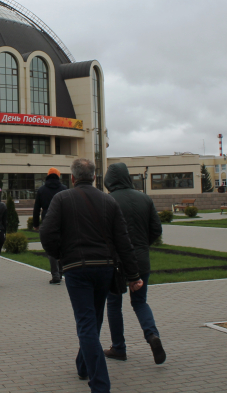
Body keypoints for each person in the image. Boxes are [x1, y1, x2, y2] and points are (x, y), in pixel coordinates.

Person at [40, 158, 142, 393]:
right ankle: (83, 365)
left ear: (73, 178)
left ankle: (100, 384)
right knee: (93, 319)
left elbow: (46, 232)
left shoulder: (62, 199)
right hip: (104, 268)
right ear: (94, 177)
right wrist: (134, 275)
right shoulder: (109, 200)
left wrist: (60, 255)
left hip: (77, 269)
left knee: (87, 322)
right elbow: (123, 241)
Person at [102, 163, 165, 365]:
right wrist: (142, 245)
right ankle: (152, 335)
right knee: (140, 302)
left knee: (114, 303)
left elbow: (103, 232)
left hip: (117, 262)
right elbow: (156, 229)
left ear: (109, 180)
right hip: (141, 259)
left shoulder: (107, 200)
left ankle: (118, 348)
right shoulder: (144, 198)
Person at [33, 167, 68, 284]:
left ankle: (55, 274)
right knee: (62, 246)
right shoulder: (64, 189)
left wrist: (36, 224)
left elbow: (36, 208)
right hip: (62, 220)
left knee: (50, 247)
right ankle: (61, 271)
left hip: (47, 220)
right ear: (58, 176)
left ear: (48, 176)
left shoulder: (42, 190)